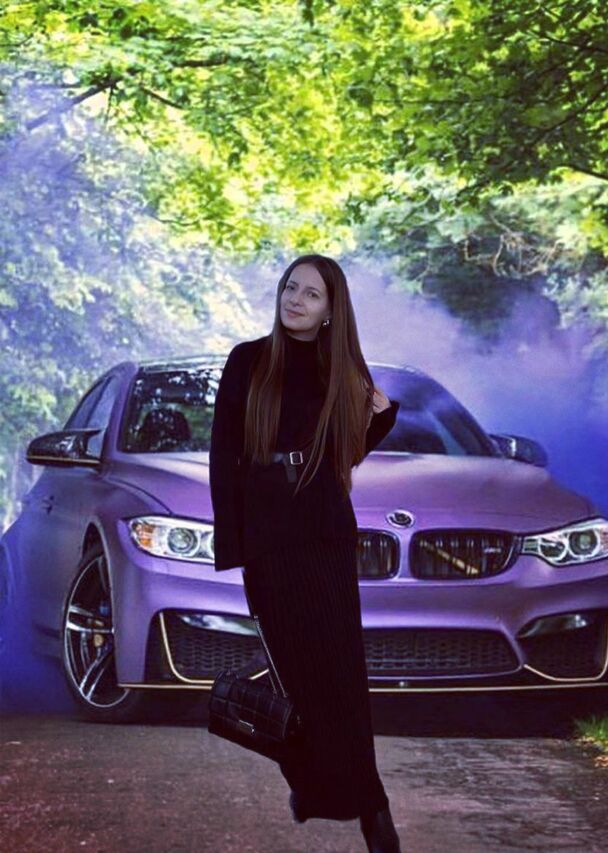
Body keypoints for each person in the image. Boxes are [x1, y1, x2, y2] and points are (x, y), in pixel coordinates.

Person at [209, 254, 402, 852]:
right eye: (290, 288)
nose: (295, 299)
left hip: (323, 531)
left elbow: (345, 455)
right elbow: (223, 458)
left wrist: (381, 418)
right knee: (294, 678)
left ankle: (374, 812)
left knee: (342, 678)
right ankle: (312, 783)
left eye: (311, 294)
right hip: (269, 535)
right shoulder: (247, 360)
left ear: (330, 311)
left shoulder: (341, 369)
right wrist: (235, 547)